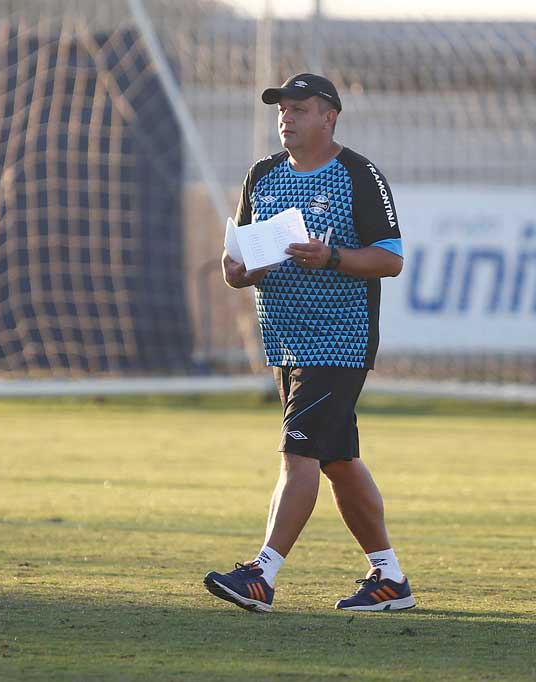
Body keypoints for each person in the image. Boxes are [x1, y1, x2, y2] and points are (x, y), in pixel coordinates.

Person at [204, 74, 413, 613]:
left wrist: (333, 257)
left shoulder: (359, 174)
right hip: (285, 342)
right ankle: (389, 579)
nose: (286, 118)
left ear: (329, 117)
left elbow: (390, 259)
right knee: (338, 459)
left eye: (299, 109)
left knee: (299, 453)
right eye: (282, 110)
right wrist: (240, 269)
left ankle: (262, 574)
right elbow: (235, 264)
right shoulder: (263, 174)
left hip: (338, 342)